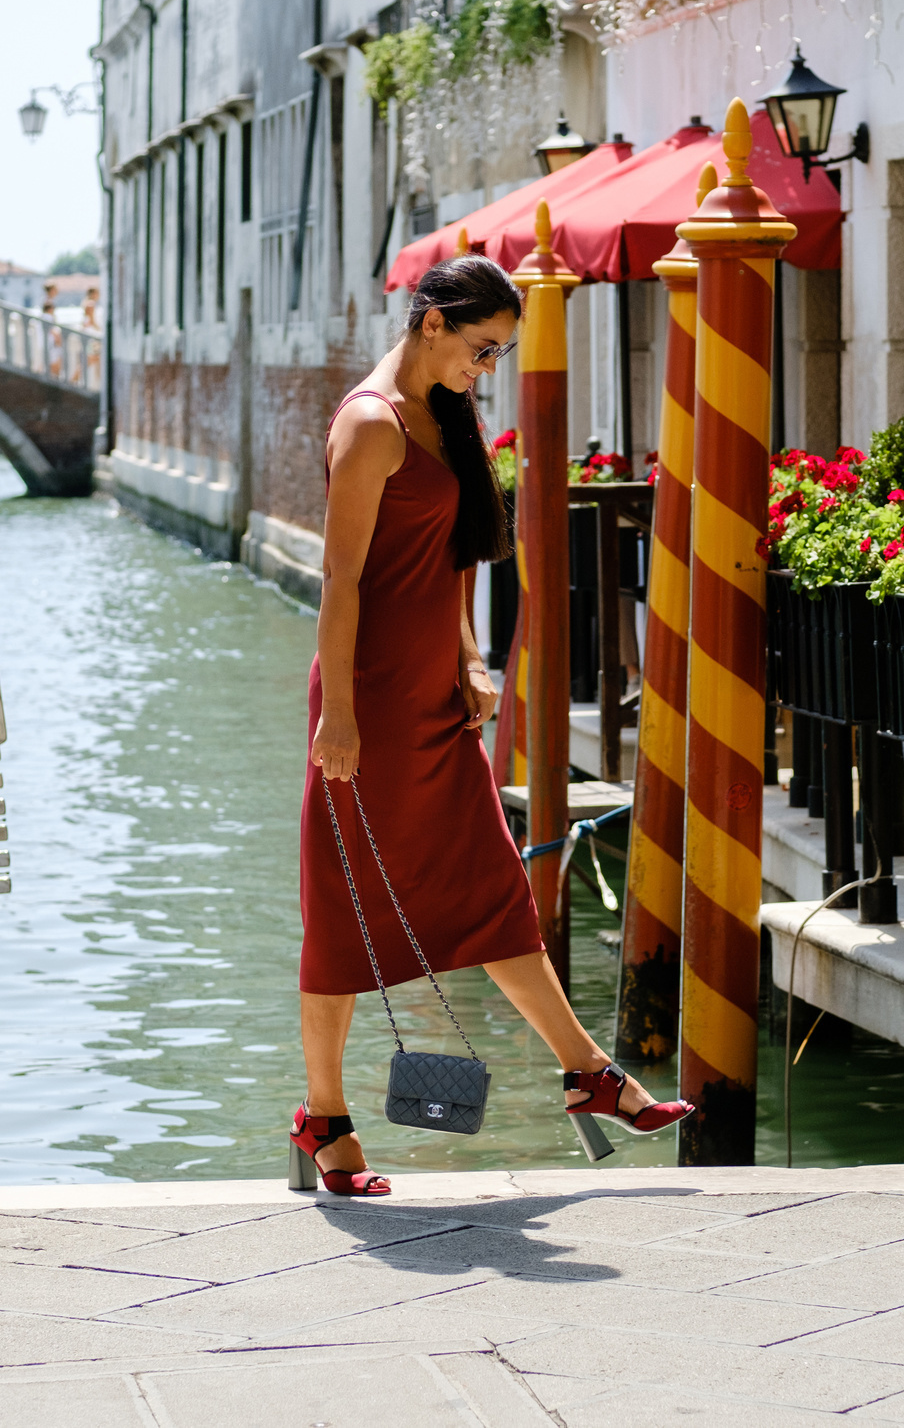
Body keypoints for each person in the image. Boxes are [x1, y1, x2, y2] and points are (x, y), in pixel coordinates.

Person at [291, 254, 692, 1197]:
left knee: (489, 885)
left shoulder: (448, 416)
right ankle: (325, 1116)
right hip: (368, 703)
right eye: (482, 348)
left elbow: (457, 556)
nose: (488, 368)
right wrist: (340, 716)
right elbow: (341, 582)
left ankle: (590, 1074)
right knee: (344, 906)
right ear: (431, 323)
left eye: (500, 353)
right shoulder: (369, 424)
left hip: (434, 696)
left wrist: (470, 656)